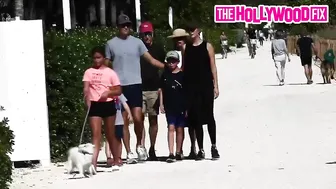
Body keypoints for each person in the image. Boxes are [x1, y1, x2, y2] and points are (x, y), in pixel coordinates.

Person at [105, 14, 165, 162]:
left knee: (138, 118)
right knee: (124, 120)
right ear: (118, 27)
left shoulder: (137, 43)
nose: (126, 27)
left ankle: (140, 145)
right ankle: (129, 151)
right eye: (123, 25)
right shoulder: (110, 44)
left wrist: (168, 68)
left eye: (128, 25)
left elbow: (150, 60)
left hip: (135, 84)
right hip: (119, 86)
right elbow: (106, 64)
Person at [182, 23, 220, 160]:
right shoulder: (185, 48)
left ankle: (214, 146)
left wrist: (216, 85)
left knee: (209, 116)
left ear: (198, 30)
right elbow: (184, 68)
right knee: (196, 117)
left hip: (206, 86)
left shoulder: (207, 46)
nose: (190, 32)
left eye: (192, 29)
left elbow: (213, 67)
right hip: (192, 87)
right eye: (189, 29)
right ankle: (201, 149)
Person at [83, 46, 122, 169]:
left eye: (99, 58)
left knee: (110, 134)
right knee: (96, 134)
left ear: (104, 58)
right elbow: (86, 88)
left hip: (108, 104)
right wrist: (86, 98)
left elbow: (119, 90)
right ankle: (93, 163)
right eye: (94, 58)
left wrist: (108, 93)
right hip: (95, 105)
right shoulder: (88, 72)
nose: (96, 60)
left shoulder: (110, 72)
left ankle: (116, 160)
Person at [167, 28, 197, 159]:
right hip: (177, 88)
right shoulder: (173, 53)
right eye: (176, 39)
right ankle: (180, 149)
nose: (178, 41)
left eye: (181, 38)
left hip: (188, 85)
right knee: (180, 124)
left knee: (190, 120)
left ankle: (193, 147)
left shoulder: (189, 50)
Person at [138, 21, 166, 161]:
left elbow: (164, 68)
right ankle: (141, 148)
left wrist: (162, 87)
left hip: (154, 89)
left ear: (153, 34)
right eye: (144, 34)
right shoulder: (137, 48)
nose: (146, 37)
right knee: (140, 119)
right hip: (139, 88)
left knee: (153, 120)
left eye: (148, 34)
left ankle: (152, 147)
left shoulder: (159, 49)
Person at [159, 51, 185, 163]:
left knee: (180, 129)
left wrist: (187, 106)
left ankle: (178, 151)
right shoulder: (165, 75)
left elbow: (186, 92)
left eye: (173, 61)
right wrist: (161, 104)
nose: (171, 64)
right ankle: (171, 152)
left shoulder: (182, 75)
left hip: (180, 106)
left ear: (178, 62)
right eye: (169, 61)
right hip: (169, 105)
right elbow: (161, 90)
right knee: (171, 128)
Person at [105, 94, 133, 165]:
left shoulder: (119, 94)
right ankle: (109, 157)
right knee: (108, 139)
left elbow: (125, 104)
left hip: (118, 120)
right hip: (108, 120)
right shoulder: (106, 94)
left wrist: (129, 113)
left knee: (118, 139)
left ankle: (118, 157)